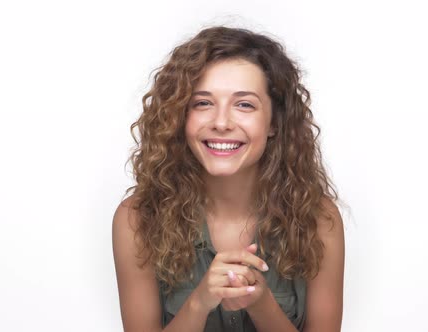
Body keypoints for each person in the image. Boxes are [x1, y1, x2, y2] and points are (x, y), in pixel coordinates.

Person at [112, 25, 345, 332]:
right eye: (203, 103)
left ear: (274, 122)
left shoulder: (319, 219)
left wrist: (261, 304)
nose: (221, 122)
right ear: (180, 117)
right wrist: (200, 301)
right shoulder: (137, 219)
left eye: (244, 104)